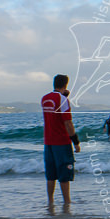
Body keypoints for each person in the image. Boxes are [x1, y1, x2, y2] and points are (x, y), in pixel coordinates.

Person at [41, 74, 80, 206]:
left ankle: (50, 201)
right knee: (64, 173)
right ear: (66, 85)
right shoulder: (63, 100)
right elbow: (68, 123)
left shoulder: (45, 99)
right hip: (61, 142)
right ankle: (67, 201)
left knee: (51, 174)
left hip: (48, 142)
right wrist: (76, 141)